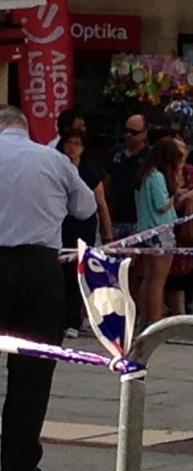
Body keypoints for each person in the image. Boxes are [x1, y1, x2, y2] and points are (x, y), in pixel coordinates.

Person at [0, 106, 96, 471]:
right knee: (33, 369)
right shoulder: (52, 159)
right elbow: (85, 206)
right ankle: (18, 461)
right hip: (40, 268)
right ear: (25, 129)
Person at [134, 138, 193, 331]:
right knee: (157, 281)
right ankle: (153, 322)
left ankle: (144, 319)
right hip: (160, 231)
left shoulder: (145, 175)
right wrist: (179, 194)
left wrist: (182, 193)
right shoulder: (156, 177)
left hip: (145, 232)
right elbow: (162, 205)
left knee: (147, 278)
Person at [56, 129, 113, 338]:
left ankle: (75, 318)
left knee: (78, 274)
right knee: (62, 275)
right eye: (68, 143)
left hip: (83, 227)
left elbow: (101, 204)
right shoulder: (56, 167)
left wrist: (107, 233)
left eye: (76, 143)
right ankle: (62, 317)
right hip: (60, 226)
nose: (72, 147)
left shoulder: (89, 172)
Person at [104, 114, 150, 239]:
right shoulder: (115, 152)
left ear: (144, 134)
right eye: (126, 131)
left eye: (134, 132)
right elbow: (107, 181)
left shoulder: (149, 157)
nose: (129, 135)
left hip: (138, 219)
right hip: (116, 217)